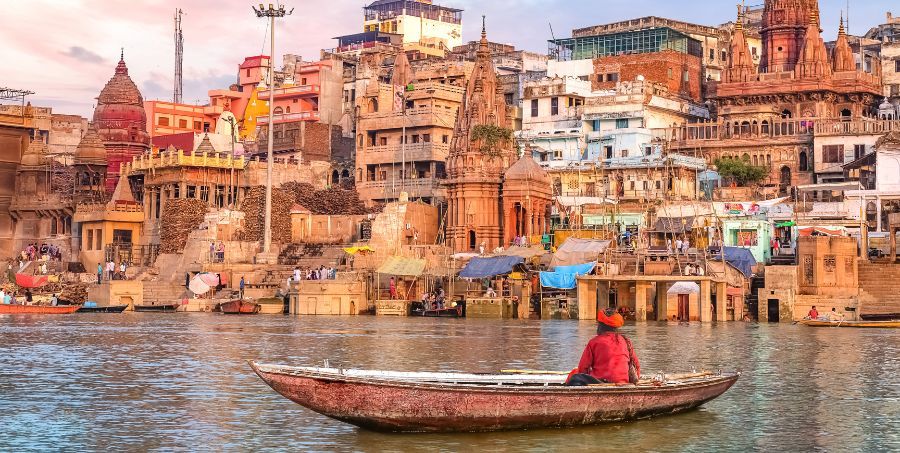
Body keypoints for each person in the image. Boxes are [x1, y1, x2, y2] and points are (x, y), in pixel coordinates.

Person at [566, 308, 641, 386]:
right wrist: (633, 382)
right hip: (623, 383)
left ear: (600, 326)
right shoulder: (626, 341)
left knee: (575, 376)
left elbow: (582, 368)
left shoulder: (594, 342)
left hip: (601, 383)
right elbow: (637, 366)